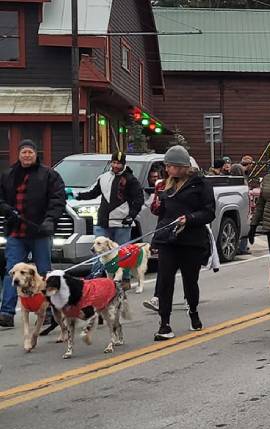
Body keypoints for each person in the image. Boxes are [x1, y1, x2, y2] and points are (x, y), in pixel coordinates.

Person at [149, 145, 216, 340]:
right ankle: (164, 324)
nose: (167, 169)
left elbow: (209, 212)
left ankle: (193, 311)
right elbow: (162, 214)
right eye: (167, 166)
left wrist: (190, 218)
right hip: (168, 240)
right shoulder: (165, 186)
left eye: (171, 166)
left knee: (190, 280)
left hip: (191, 240)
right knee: (165, 281)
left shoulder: (200, 184)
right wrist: (156, 238)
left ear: (182, 166)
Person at [0, 139, 67, 329]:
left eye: (30, 152)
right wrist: (5, 209)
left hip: (40, 232)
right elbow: (1, 198)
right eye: (23, 152)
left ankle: (45, 311)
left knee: (43, 272)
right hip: (16, 232)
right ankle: (6, 312)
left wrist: (49, 220)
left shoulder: (49, 175)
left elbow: (58, 199)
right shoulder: (8, 175)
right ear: (19, 154)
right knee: (11, 271)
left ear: (35, 154)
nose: (27, 155)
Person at [76, 151, 144, 277]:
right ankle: (96, 276)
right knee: (98, 250)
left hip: (122, 222)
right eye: (114, 162)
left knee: (123, 252)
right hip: (103, 221)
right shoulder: (103, 177)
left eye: (119, 163)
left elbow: (139, 199)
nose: (116, 165)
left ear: (124, 164)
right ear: (111, 162)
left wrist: (131, 216)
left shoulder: (130, 180)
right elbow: (93, 193)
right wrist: (77, 195)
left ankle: (125, 279)